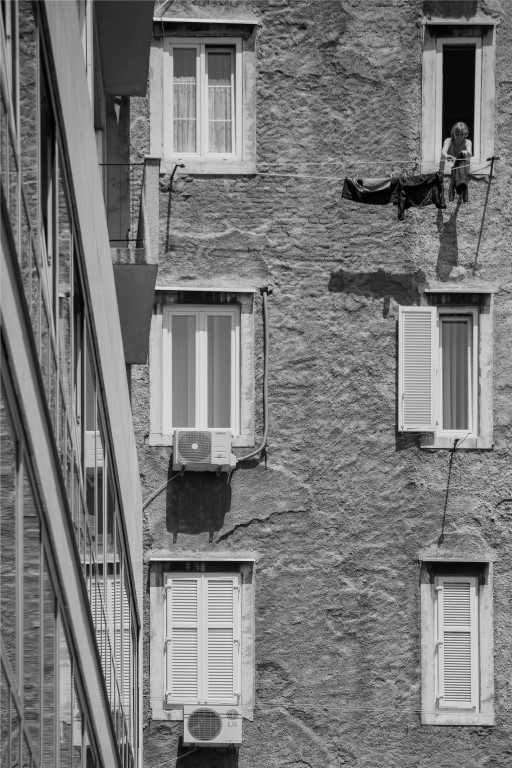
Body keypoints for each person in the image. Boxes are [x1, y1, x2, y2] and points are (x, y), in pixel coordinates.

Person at [441, 122, 472, 202]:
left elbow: (469, 153)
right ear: (453, 134)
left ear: (465, 134)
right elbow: (443, 152)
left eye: (461, 134)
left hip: (461, 167)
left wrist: (466, 152)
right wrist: (447, 156)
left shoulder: (467, 142)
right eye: (457, 134)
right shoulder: (448, 141)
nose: (459, 136)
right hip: (452, 165)